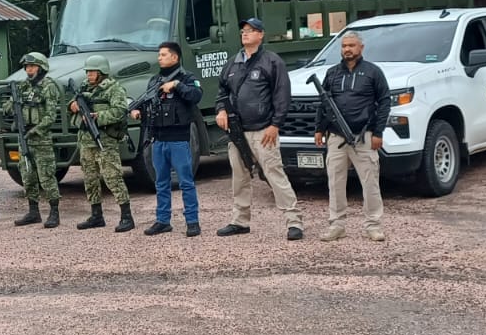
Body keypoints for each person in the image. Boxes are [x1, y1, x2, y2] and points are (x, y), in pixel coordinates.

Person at [215, 17, 303, 240]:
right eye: (243, 30)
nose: (245, 33)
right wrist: (221, 110)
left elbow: (282, 95)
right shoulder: (232, 63)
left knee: (275, 175)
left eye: (251, 30)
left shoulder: (272, 61)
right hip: (237, 131)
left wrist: (275, 124)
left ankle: (294, 222)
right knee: (239, 178)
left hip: (263, 130)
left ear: (261, 34)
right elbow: (222, 91)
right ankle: (240, 221)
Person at [315, 30, 390, 243]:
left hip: (363, 137)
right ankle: (337, 225)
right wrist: (319, 129)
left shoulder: (373, 72)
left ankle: (373, 225)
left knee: (370, 182)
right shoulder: (332, 73)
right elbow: (324, 103)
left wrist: (378, 132)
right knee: (335, 182)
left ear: (361, 48)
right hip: (336, 137)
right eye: (344, 46)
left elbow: (384, 101)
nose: (347, 49)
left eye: (351, 45)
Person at [129, 41, 203, 236]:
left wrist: (177, 85)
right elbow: (149, 103)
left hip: (178, 139)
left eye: (163, 54)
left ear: (175, 57)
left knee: (185, 182)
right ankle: (163, 220)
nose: (159, 58)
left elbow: (196, 95)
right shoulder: (155, 80)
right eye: (159, 55)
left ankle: (192, 221)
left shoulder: (187, 78)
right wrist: (137, 111)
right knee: (161, 183)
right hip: (158, 140)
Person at [68, 55, 134, 232]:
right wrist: (72, 105)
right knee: (90, 179)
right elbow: (72, 104)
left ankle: (126, 216)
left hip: (105, 140)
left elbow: (120, 111)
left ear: (102, 72)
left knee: (113, 177)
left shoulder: (114, 89)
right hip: (86, 141)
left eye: (92, 71)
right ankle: (96, 215)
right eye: (87, 71)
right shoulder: (83, 88)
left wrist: (98, 117)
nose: (89, 74)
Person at [12, 51, 64, 229]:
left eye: (32, 66)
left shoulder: (48, 86)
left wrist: (36, 130)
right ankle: (33, 211)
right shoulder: (22, 86)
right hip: (24, 137)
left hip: (41, 139)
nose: (29, 69)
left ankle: (54, 212)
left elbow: (51, 115)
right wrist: (13, 106)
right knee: (27, 175)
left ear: (41, 68)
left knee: (46, 176)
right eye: (27, 67)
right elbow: (9, 104)